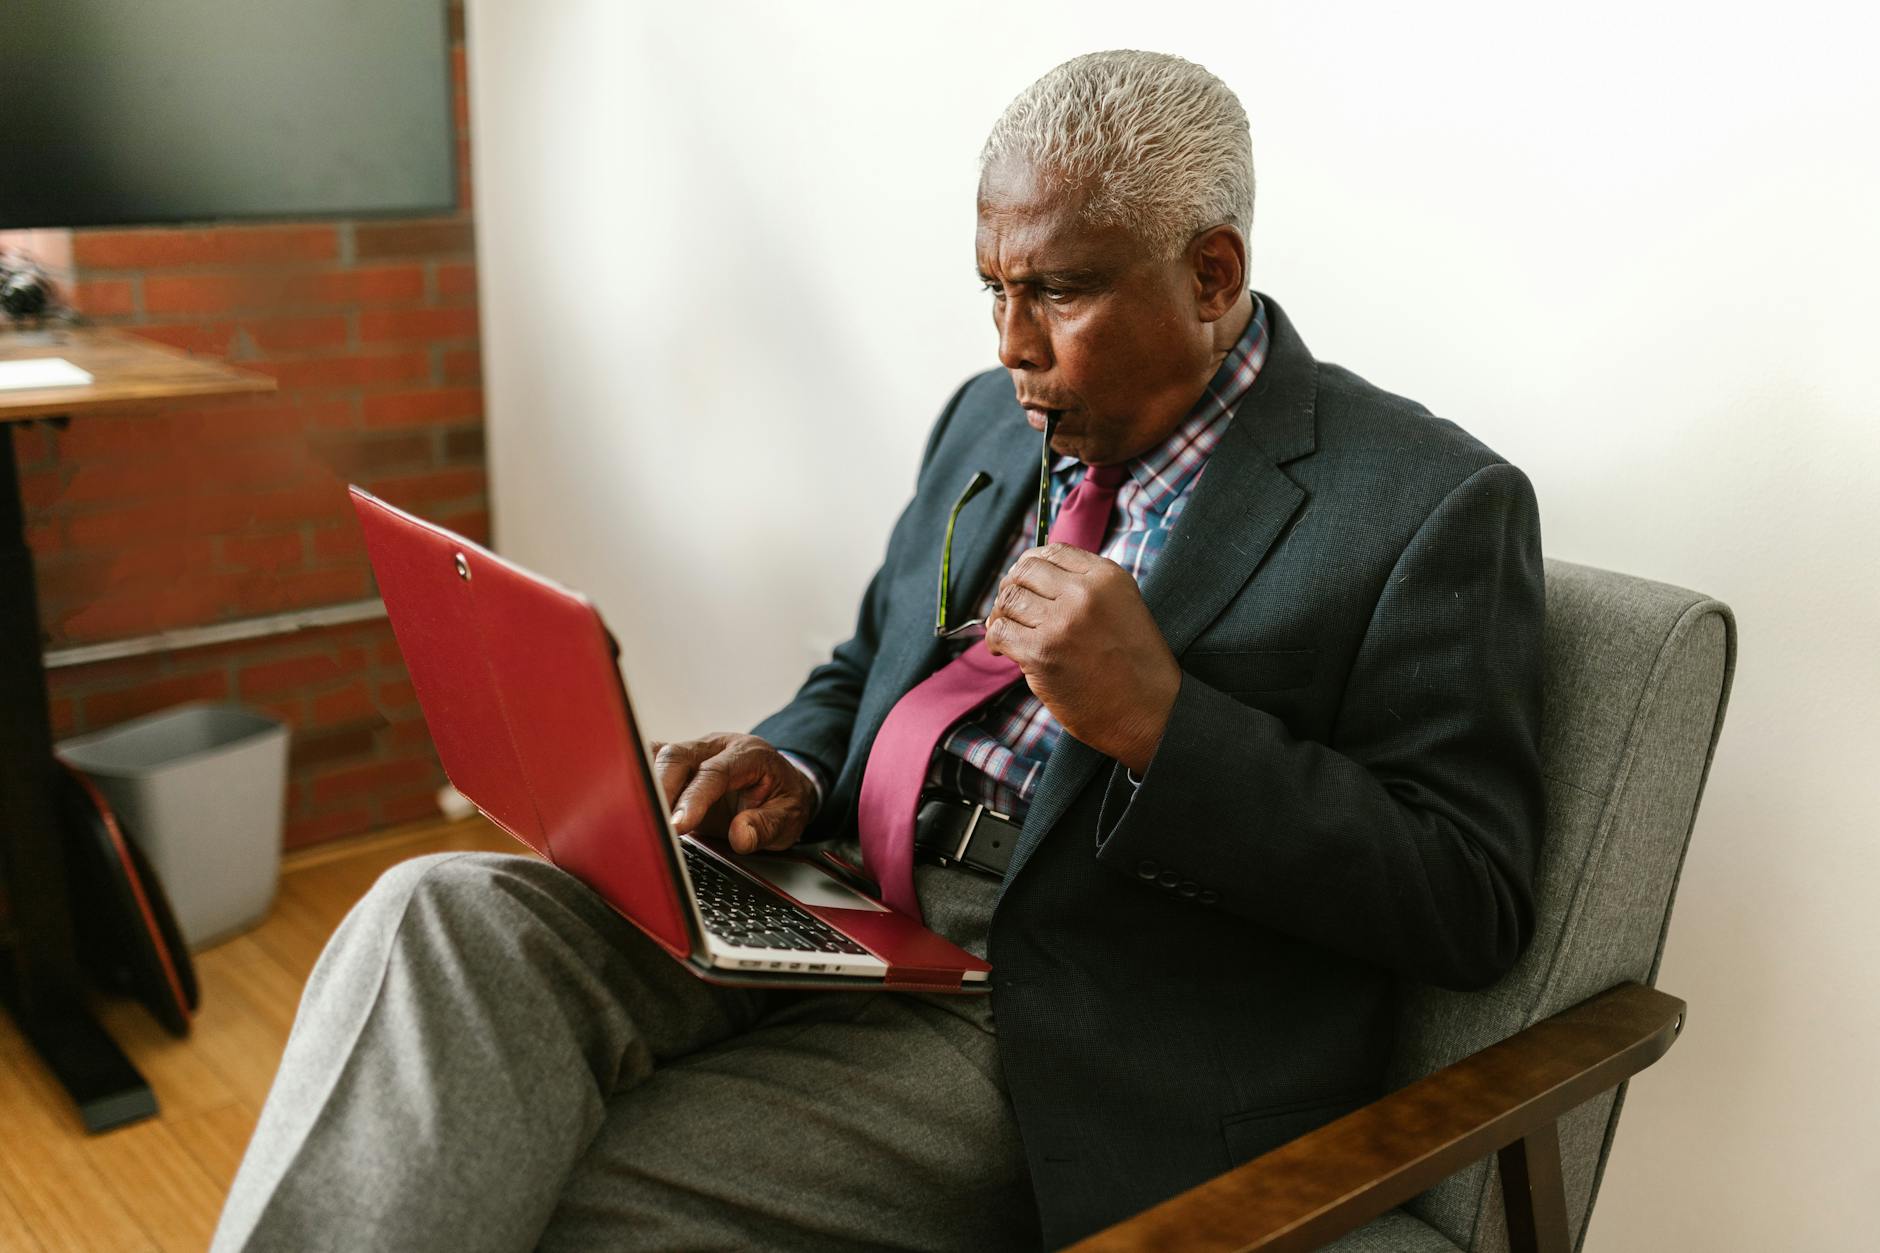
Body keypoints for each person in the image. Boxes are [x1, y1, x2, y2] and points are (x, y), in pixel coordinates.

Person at [213, 50, 1543, 1252]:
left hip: (1049, 1012)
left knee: (559, 1188)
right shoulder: (986, 415)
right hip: (837, 896)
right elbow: (866, 661)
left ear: (1212, 273)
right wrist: (792, 758)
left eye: (1062, 293)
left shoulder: (1427, 507)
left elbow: (1467, 896)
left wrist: (1164, 724)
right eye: (997, 291)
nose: (1015, 346)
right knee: (432, 914)